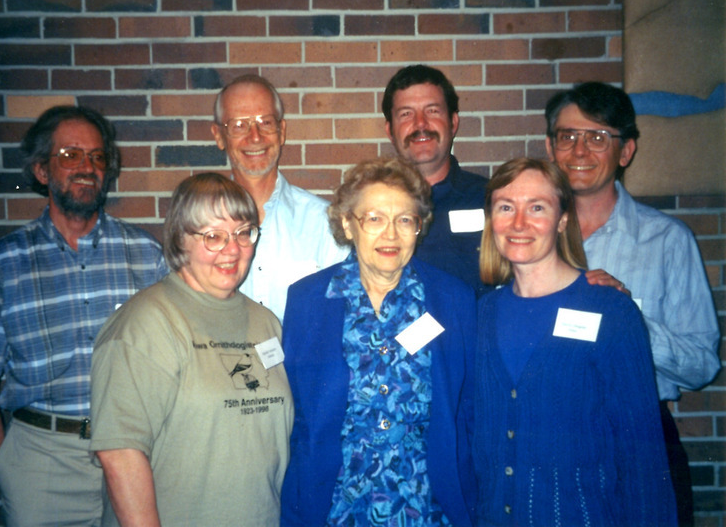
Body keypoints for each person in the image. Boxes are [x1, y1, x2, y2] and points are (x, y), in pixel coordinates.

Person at [0, 106, 167, 526]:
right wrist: (7, 469)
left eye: (97, 157)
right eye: (71, 155)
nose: (87, 167)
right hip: (41, 460)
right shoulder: (3, 264)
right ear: (42, 171)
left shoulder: (146, 255)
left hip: (133, 452)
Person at [544, 82, 720, 526]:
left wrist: (628, 320)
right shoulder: (525, 237)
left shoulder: (667, 241)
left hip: (639, 435)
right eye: (567, 136)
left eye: (598, 137)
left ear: (626, 151)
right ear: (550, 147)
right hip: (548, 436)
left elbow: (701, 366)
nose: (579, 150)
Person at [474, 157, 676, 526]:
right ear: (492, 221)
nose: (519, 223)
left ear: (562, 220)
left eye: (537, 207)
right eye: (506, 207)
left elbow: (643, 457)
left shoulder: (610, 311)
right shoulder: (480, 315)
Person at [281, 158, 477, 526]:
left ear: (419, 227)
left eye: (405, 220)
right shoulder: (308, 300)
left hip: (428, 506)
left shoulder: (453, 299)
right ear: (347, 224)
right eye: (374, 218)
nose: (391, 234)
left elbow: (464, 409)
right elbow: (301, 419)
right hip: (336, 506)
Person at [90, 173, 293, 527]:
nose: (233, 249)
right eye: (213, 236)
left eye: (244, 232)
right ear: (180, 239)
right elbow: (120, 453)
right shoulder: (145, 323)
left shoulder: (266, 323)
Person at [211, 74, 348, 320]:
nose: (255, 137)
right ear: (219, 136)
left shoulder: (325, 225)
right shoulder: (199, 227)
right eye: (239, 125)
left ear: (281, 131)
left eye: (265, 122)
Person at [383, 64, 489, 294]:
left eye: (432, 111)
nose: (420, 124)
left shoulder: (492, 199)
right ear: (390, 131)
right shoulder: (371, 207)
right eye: (406, 114)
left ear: (453, 123)